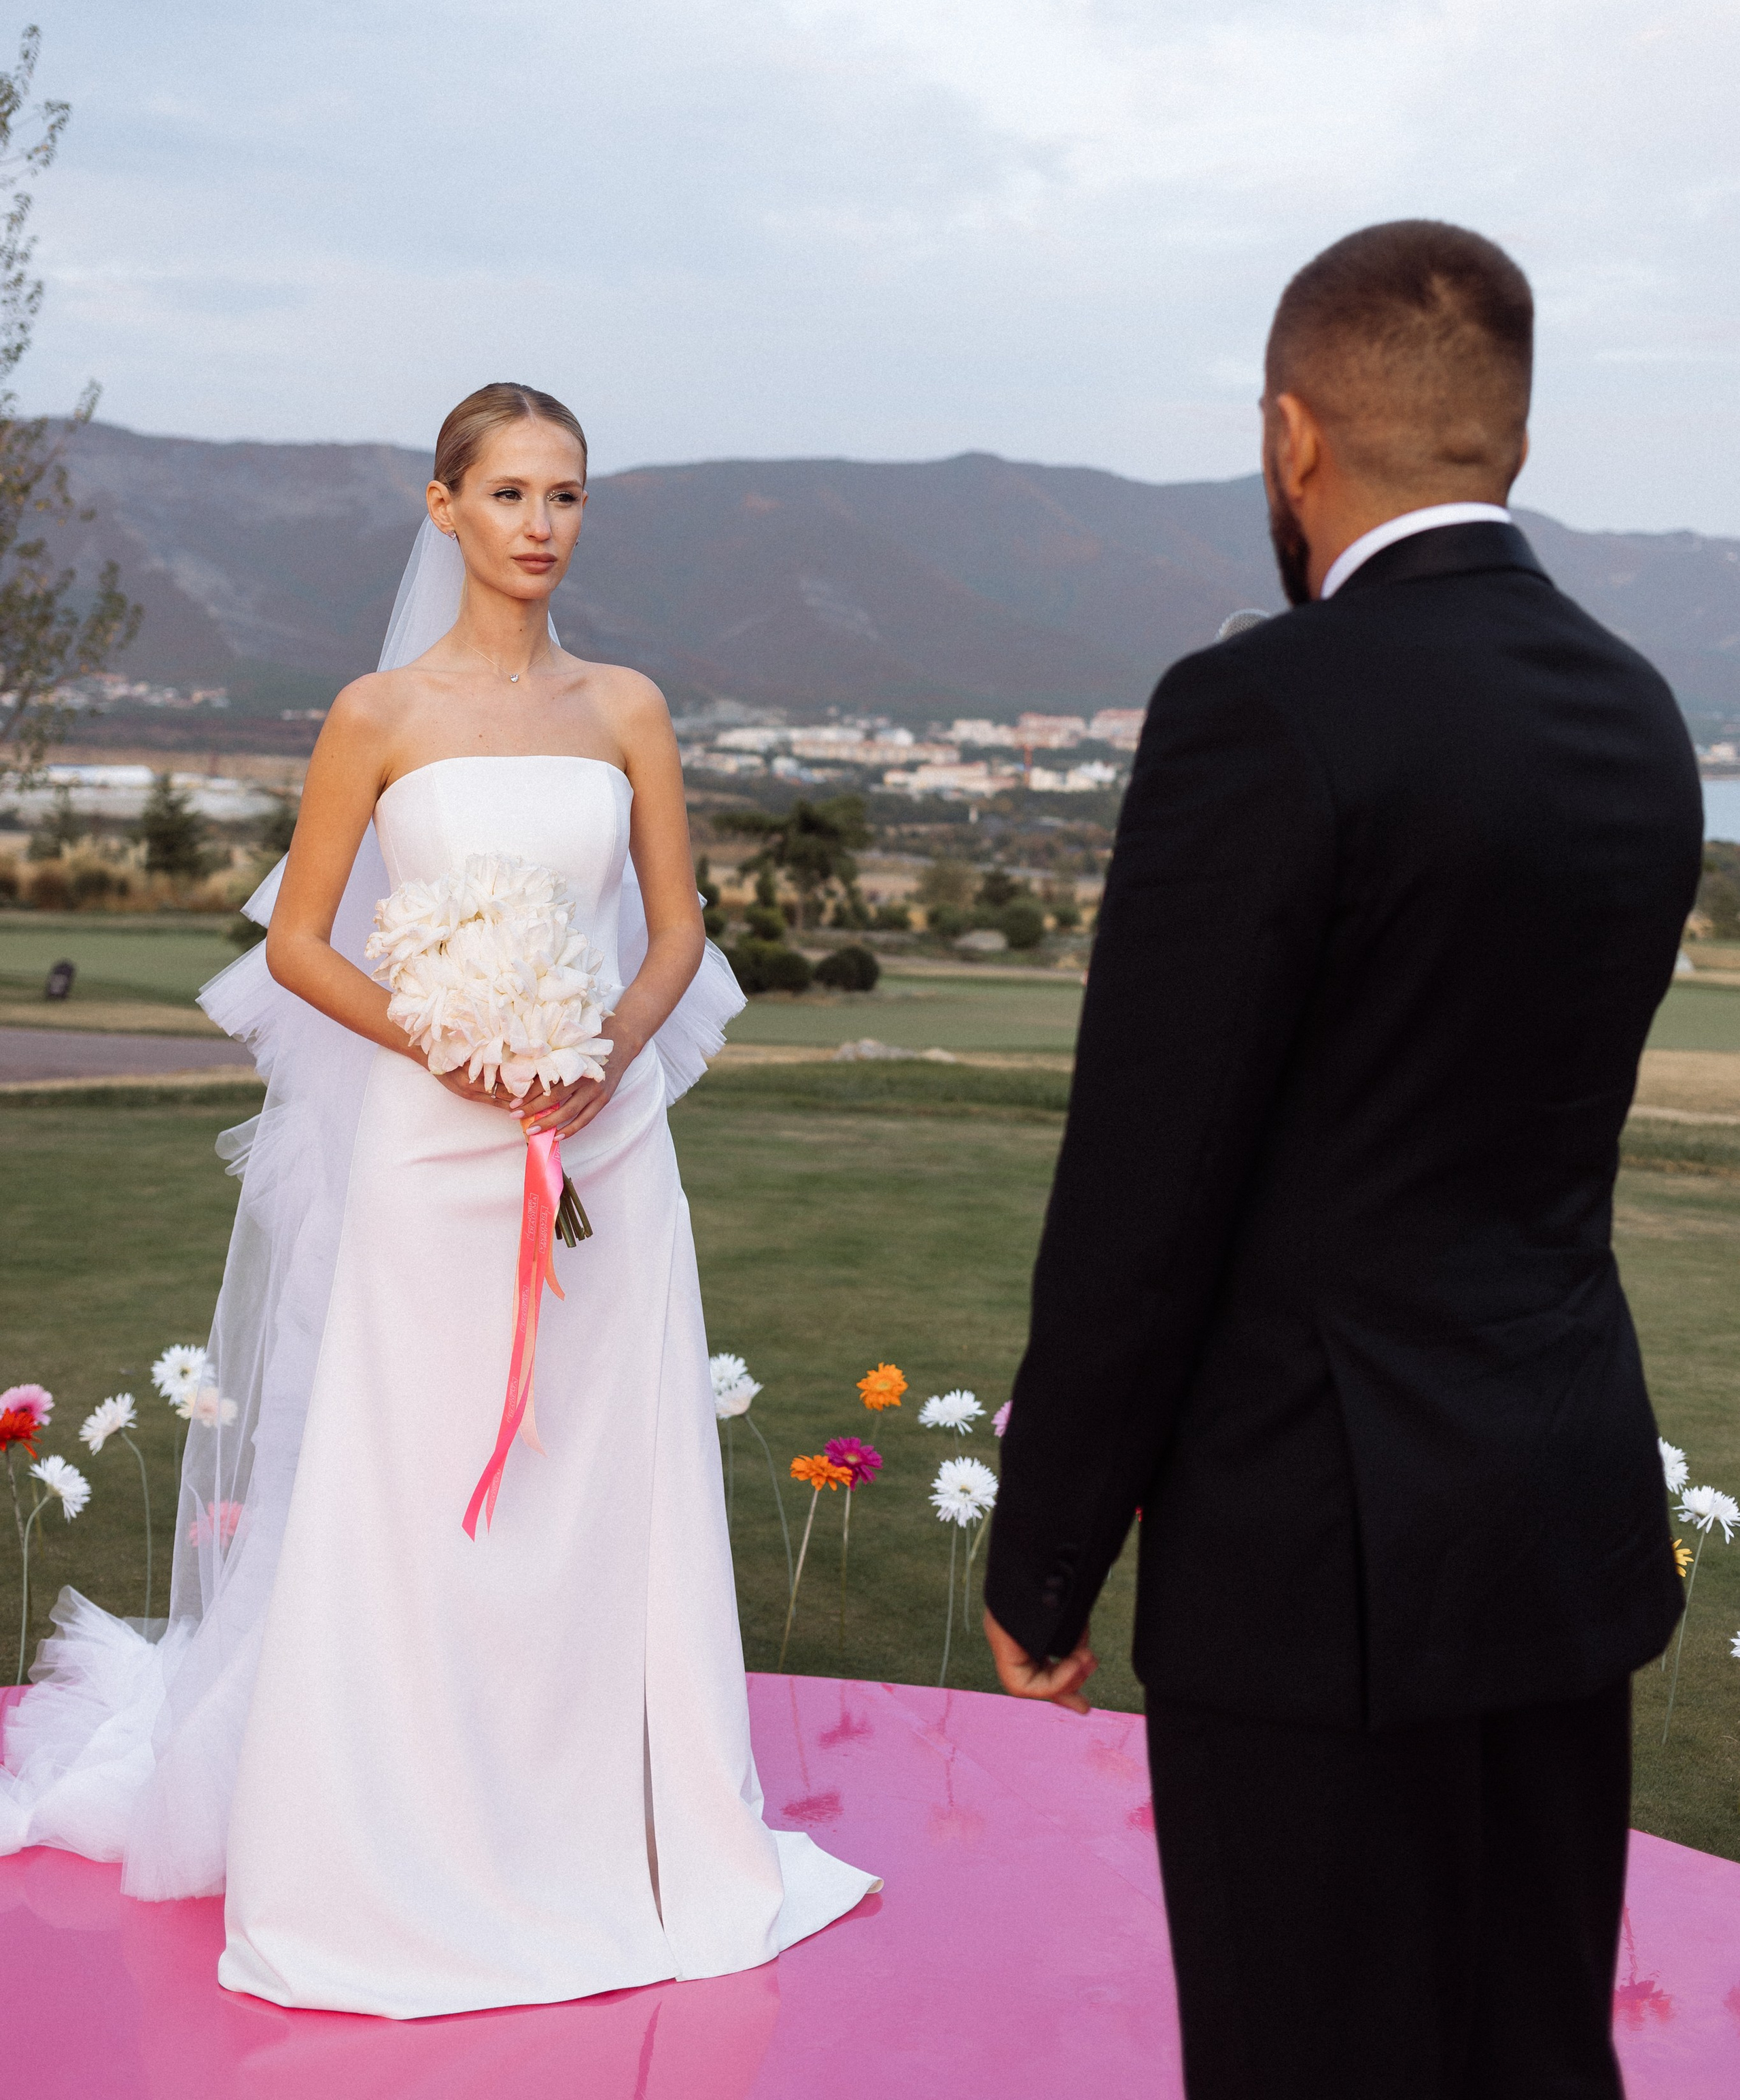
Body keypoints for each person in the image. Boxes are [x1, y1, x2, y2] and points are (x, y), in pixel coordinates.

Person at [0, 381, 875, 2016]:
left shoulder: (627, 706)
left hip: (603, 1142)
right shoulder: (375, 715)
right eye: (512, 494)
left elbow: (677, 933)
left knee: (601, 1485)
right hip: (432, 1142)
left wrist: (602, 1053)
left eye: (567, 497)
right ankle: (395, 1849)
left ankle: (617, 1829)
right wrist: (458, 1048)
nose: (541, 524)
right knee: (414, 1483)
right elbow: (298, 944)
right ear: (444, 508)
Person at [983, 222, 1703, 2099]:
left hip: (1312, 1546)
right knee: (1534, 2042)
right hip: (1554, 1515)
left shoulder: (1259, 710)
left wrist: (1048, 1549)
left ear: (1292, 440)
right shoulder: (1640, 715)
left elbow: (1149, 1181)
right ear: (1513, 444)